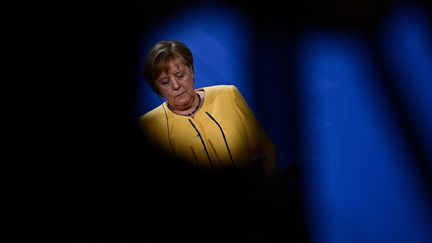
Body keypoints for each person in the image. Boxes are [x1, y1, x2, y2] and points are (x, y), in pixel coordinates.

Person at [138, 40, 276, 176]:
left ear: (191, 71)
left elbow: (264, 148)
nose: (175, 85)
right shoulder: (148, 125)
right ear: (157, 88)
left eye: (180, 75)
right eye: (165, 82)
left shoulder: (228, 95)